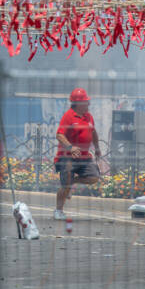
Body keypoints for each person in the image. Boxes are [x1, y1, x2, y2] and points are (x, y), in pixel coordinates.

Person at [53, 88, 101, 220]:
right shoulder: (68, 116)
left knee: (94, 177)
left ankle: (72, 182)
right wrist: (70, 147)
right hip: (67, 157)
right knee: (65, 184)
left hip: (84, 157)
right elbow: (59, 134)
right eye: (86, 102)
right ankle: (58, 210)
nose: (88, 104)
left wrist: (97, 148)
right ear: (77, 104)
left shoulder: (88, 116)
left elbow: (93, 132)